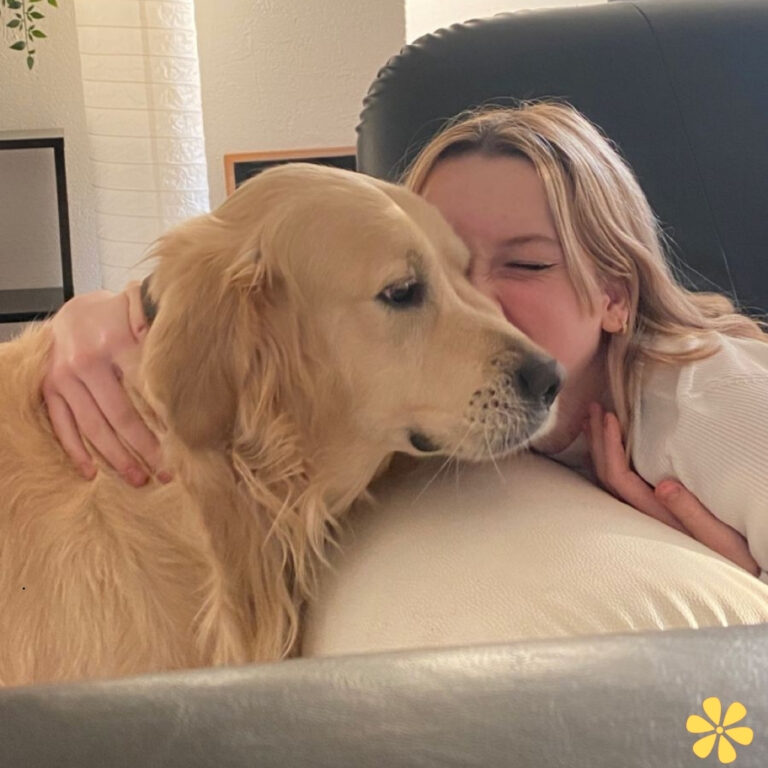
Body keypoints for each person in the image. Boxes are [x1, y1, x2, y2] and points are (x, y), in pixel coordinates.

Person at [41, 101, 768, 577]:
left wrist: (739, 611)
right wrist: (111, 309)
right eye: (430, 279)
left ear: (616, 296)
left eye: (527, 263)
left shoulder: (716, 405)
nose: (478, 306)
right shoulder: (429, 405)